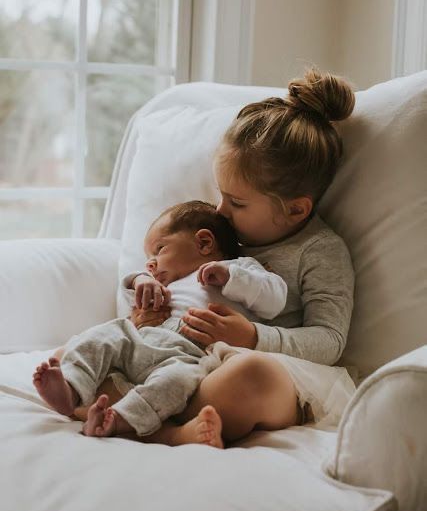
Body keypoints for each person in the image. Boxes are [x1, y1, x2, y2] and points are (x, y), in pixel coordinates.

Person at [93, 66, 357, 449]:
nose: (220, 210)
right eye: (221, 195)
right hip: (177, 358)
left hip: (258, 368)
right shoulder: (218, 235)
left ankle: (144, 422)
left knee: (250, 377)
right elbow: (175, 283)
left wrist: (253, 337)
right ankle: (167, 428)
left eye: (236, 202)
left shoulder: (320, 251)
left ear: (296, 210)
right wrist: (148, 312)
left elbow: (330, 339)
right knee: (89, 351)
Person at [32, 200, 288, 445]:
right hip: (140, 341)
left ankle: (121, 419)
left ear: (204, 242)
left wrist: (231, 276)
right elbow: (131, 294)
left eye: (160, 249)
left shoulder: (240, 268)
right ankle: (71, 389)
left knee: (176, 381)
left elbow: (275, 299)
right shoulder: (163, 283)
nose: (151, 262)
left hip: (188, 354)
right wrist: (141, 280)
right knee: (105, 335)